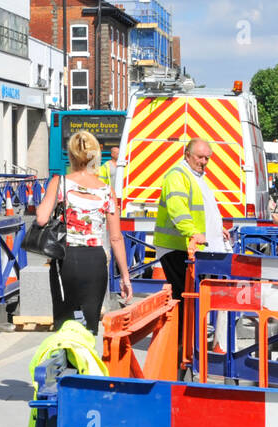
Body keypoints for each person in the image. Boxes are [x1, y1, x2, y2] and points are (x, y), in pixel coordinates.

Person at [33, 130, 133, 334]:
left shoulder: (59, 182)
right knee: (90, 326)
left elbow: (42, 218)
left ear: (71, 155)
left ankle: (67, 358)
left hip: (66, 258)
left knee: (64, 324)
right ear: (95, 156)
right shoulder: (106, 190)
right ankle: (85, 363)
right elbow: (115, 238)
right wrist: (125, 277)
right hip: (95, 260)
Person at [152, 139, 231, 326]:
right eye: (200, 157)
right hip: (178, 247)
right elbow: (177, 208)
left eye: (207, 158)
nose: (204, 162)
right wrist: (192, 232)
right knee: (184, 296)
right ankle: (182, 345)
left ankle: (188, 342)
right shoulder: (178, 175)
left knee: (191, 297)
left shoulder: (195, 176)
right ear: (187, 155)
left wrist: (217, 229)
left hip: (189, 246)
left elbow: (203, 208)